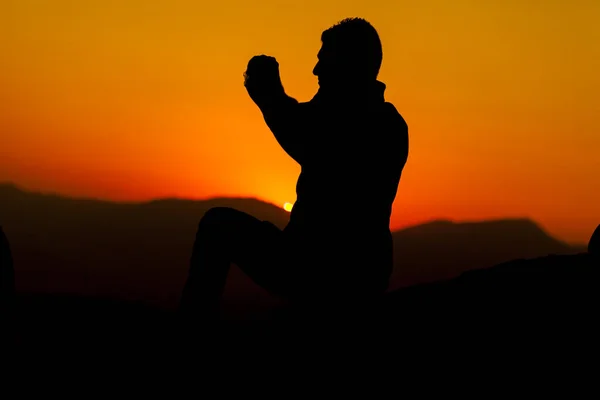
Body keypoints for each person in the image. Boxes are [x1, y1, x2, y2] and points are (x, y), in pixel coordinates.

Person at [180, 17, 409, 320]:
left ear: (347, 64)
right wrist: (270, 94)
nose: (315, 71)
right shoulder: (383, 121)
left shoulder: (370, 123)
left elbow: (305, 134)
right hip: (359, 271)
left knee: (217, 225)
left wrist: (268, 92)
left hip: (321, 269)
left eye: (324, 61)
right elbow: (307, 124)